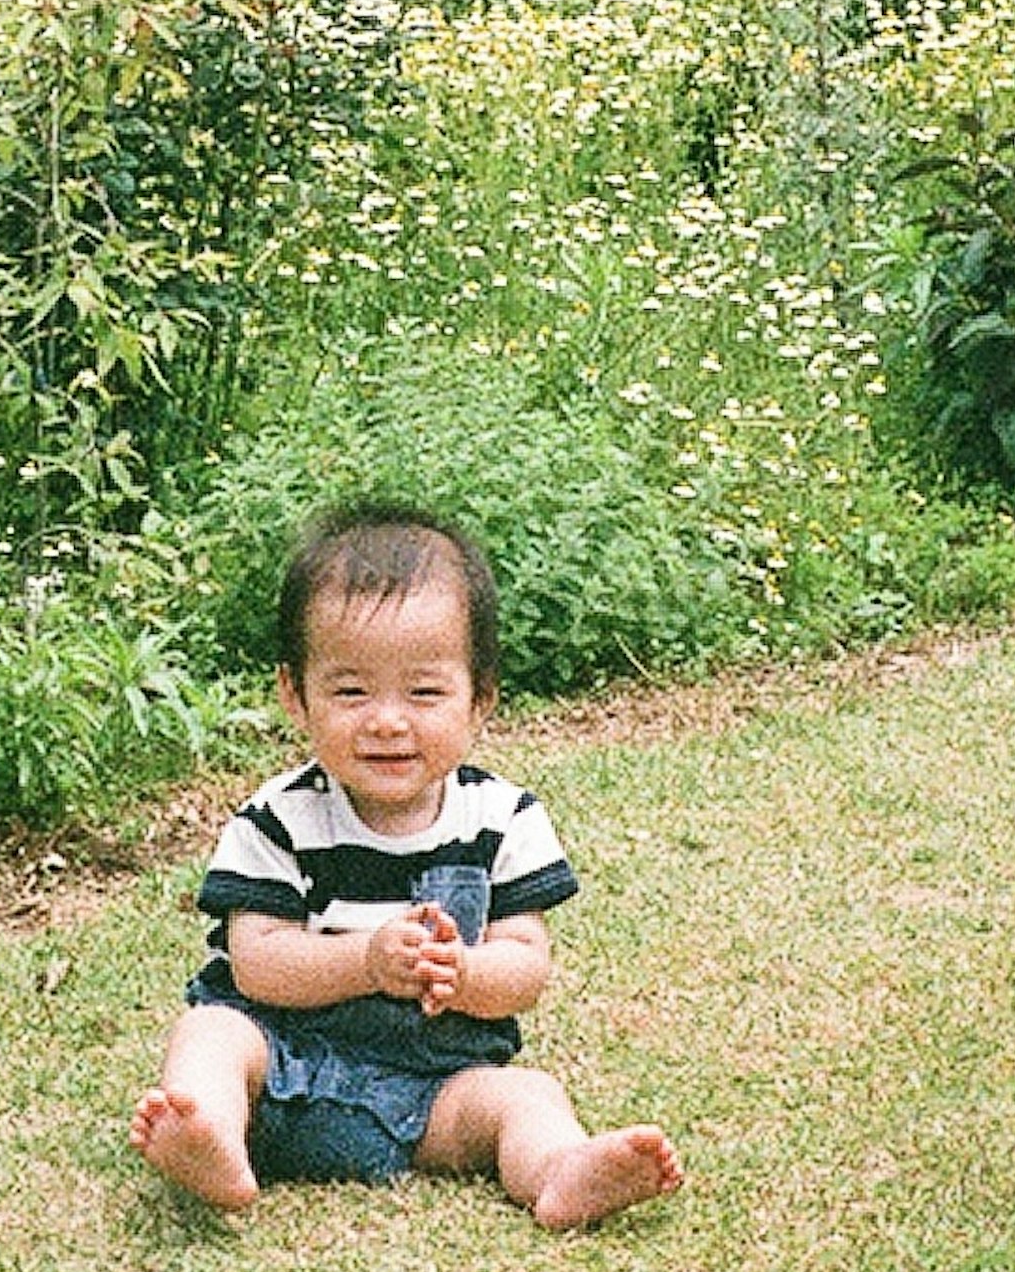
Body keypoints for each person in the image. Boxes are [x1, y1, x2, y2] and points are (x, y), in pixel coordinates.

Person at [131, 500, 682, 1229]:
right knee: (209, 1034)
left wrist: (466, 974)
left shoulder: (502, 818)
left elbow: (526, 969)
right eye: (351, 690)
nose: (387, 720)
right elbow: (255, 962)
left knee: (526, 1096)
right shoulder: (278, 817)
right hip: (283, 1068)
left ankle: (560, 1170)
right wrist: (366, 962)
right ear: (295, 695)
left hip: (433, 1090)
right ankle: (211, 1135)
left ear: (479, 699)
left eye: (424, 692)